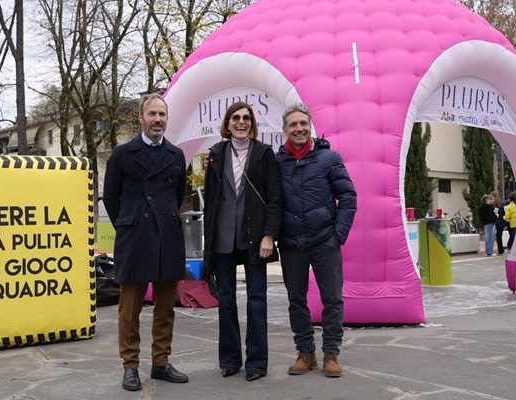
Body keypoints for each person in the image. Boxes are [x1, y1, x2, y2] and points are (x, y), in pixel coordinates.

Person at [103, 93, 189, 392]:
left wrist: (161, 218)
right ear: (140, 117)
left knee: (166, 307)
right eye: (152, 114)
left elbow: (178, 195)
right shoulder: (123, 154)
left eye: (162, 115)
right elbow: (111, 197)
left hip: (167, 236)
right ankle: (130, 366)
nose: (157, 120)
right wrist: (129, 223)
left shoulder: (176, 155)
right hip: (134, 236)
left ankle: (161, 362)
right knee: (130, 309)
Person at [202, 101, 282, 382]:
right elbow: (210, 203)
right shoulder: (215, 154)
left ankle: (257, 363)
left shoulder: (264, 154)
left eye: (246, 118)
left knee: (256, 300)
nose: (241, 122)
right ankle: (230, 359)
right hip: (222, 238)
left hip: (254, 238)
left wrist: (269, 235)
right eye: (235, 117)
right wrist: (207, 244)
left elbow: (274, 199)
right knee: (226, 300)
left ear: (252, 123)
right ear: (227, 122)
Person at [276, 103, 357, 378]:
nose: (298, 128)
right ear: (284, 130)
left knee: (332, 298)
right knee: (295, 298)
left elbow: (348, 197)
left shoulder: (329, 158)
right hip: (290, 244)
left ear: (309, 126)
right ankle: (305, 353)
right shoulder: (276, 163)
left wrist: (338, 235)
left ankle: (331, 353)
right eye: (292, 125)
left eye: (302, 123)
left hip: (325, 240)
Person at [490, 191, 506, 255]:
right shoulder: (501, 204)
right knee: (499, 236)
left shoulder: (492, 205)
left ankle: (492, 250)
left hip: (495, 222)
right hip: (501, 222)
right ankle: (500, 249)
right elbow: (504, 212)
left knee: (495, 236)